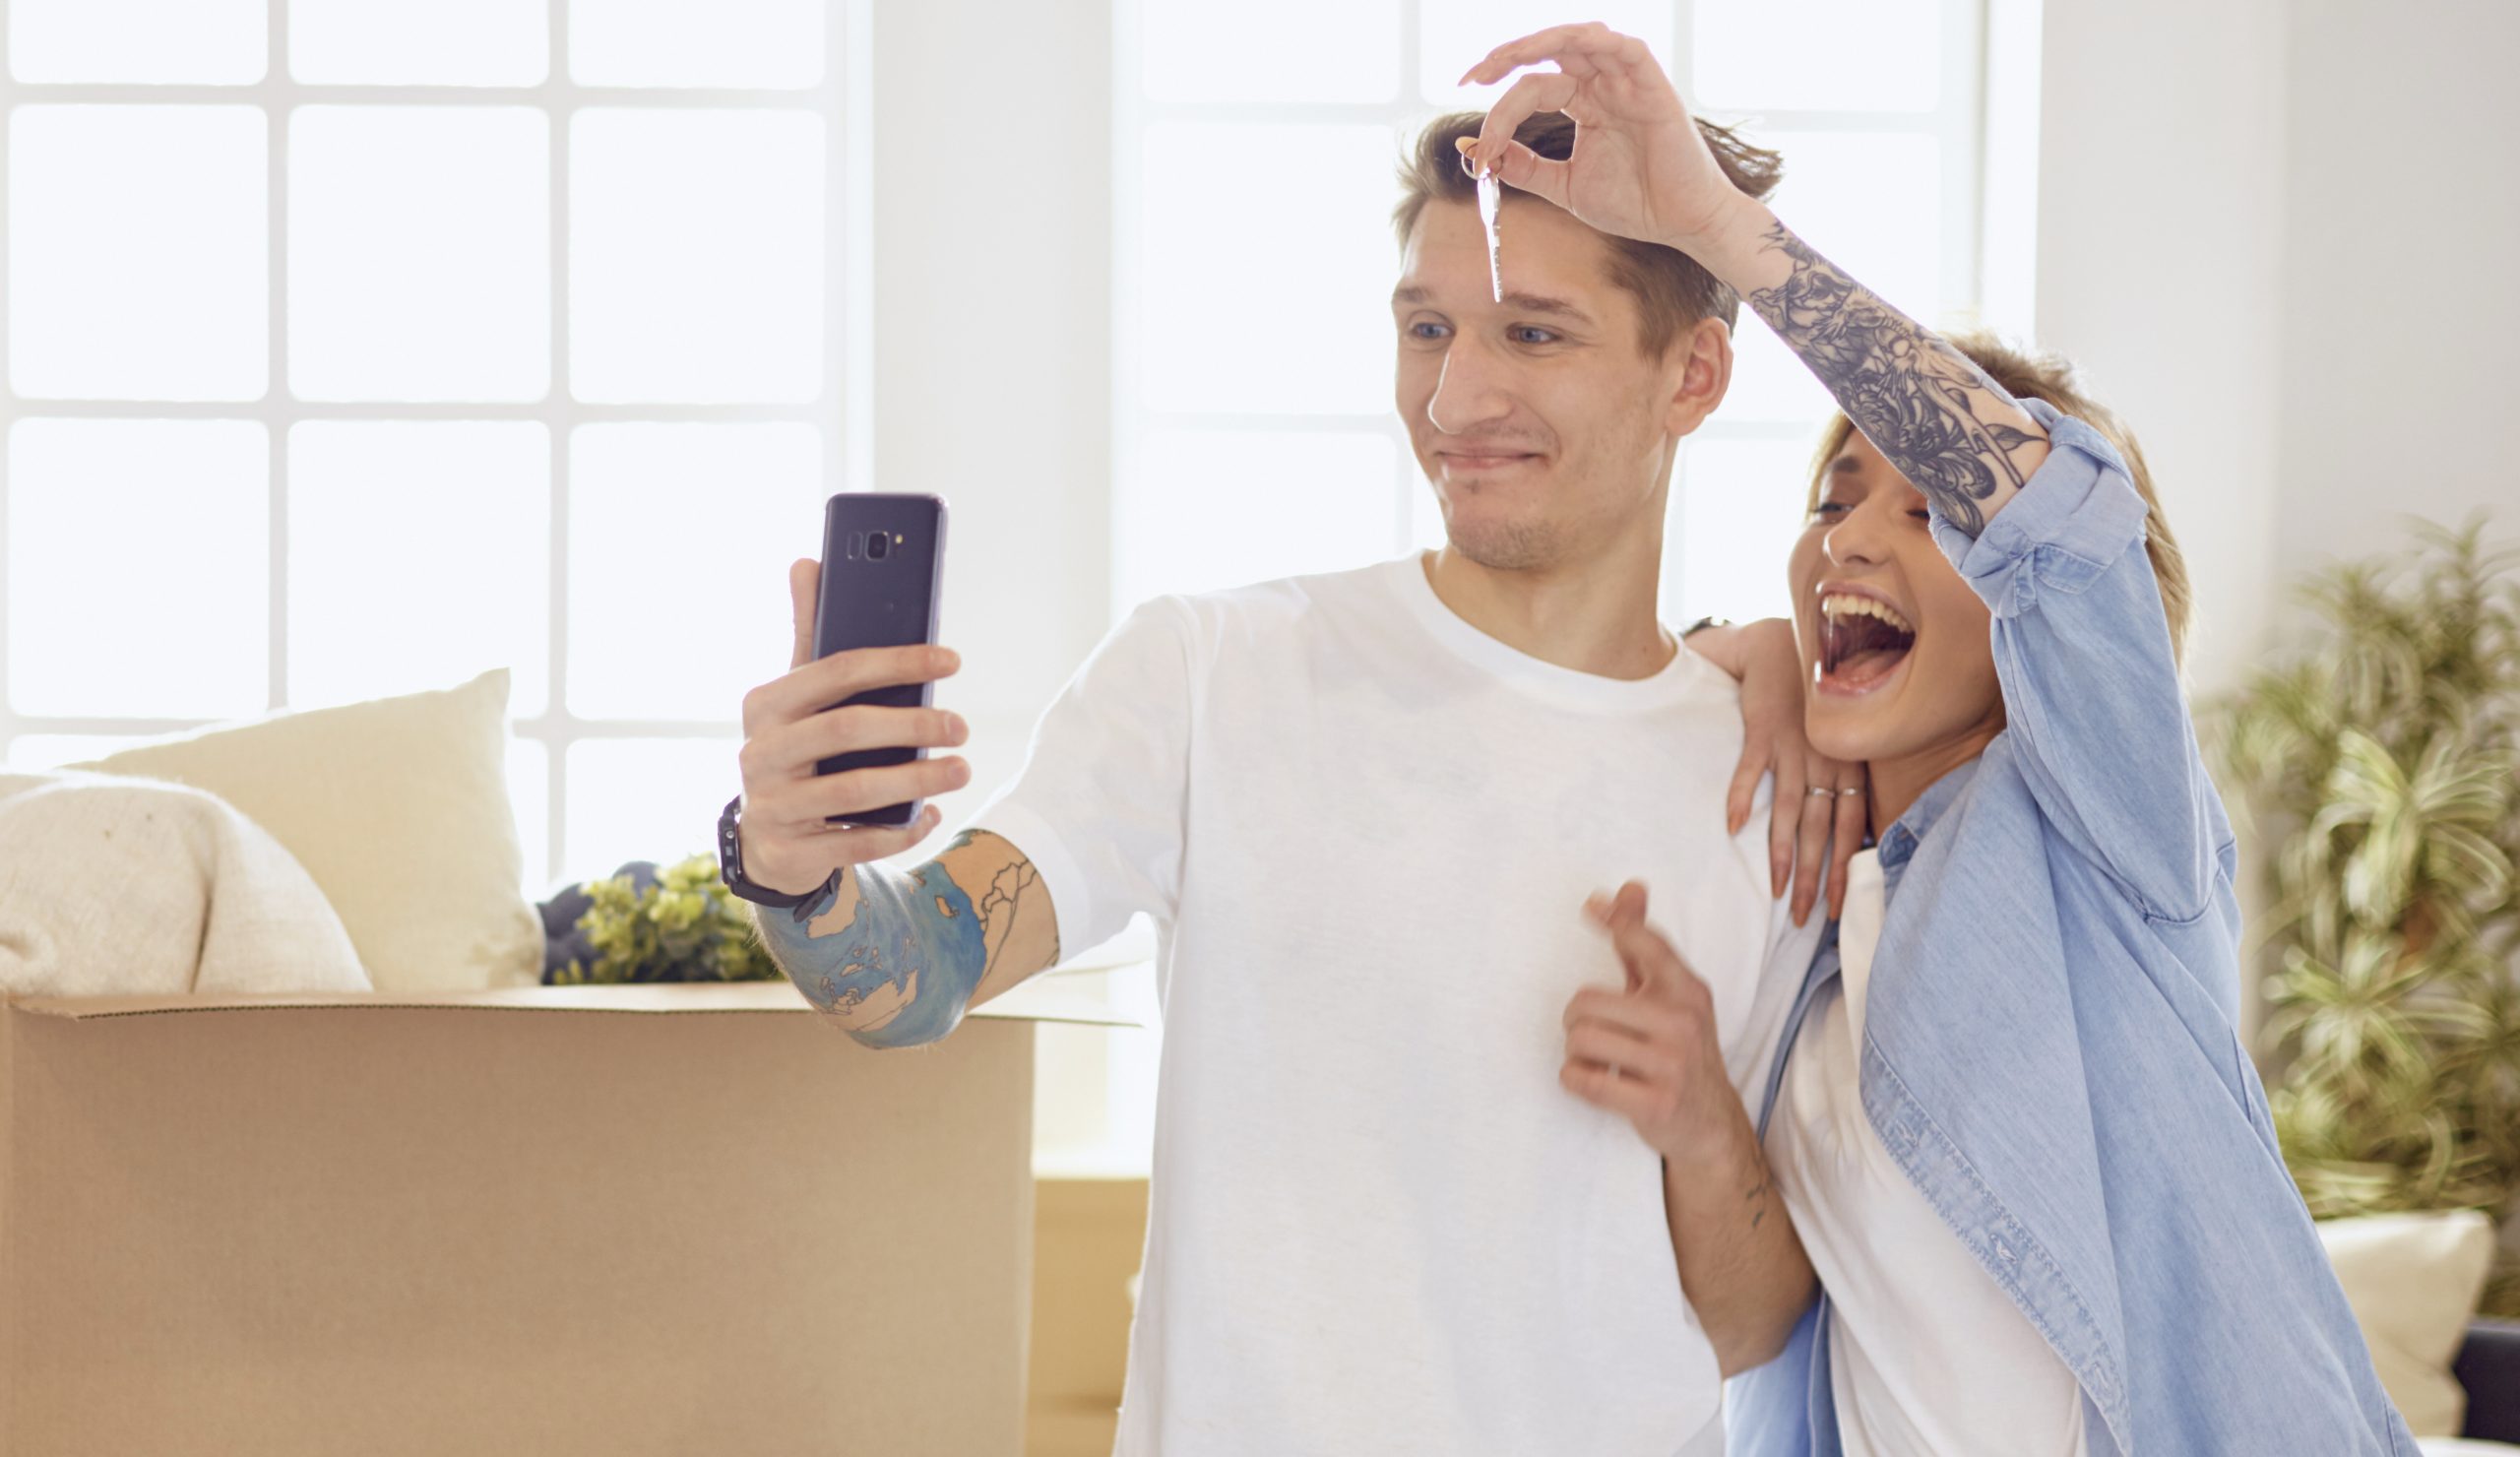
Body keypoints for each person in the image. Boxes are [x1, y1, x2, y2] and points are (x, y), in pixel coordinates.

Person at [728, 100, 1858, 1457]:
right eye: (1426, 328)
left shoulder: (1785, 785)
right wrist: (792, 867)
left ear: (1694, 376)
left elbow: (1753, 1332)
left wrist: (1700, 1127)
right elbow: (910, 981)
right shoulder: (1216, 672)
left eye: (1533, 335)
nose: (1455, 399)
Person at [1452, 22, 2413, 1455]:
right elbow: (1749, 1330)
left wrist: (1712, 223)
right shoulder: (1813, 904)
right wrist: (1755, 660)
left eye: (1932, 512)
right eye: (1838, 495)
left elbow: (2062, 535)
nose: (1850, 536)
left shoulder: (2109, 841)